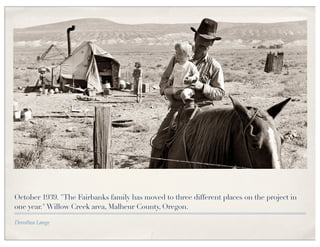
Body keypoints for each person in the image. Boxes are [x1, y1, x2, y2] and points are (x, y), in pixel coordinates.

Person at [149, 18, 225, 169]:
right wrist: (168, 90)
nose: (204, 43)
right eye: (201, 39)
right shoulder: (178, 59)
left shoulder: (214, 66)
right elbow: (163, 81)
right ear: (195, 38)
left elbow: (220, 93)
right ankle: (154, 172)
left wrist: (201, 86)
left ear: (212, 43)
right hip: (179, 109)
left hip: (204, 110)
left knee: (219, 145)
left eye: (208, 41)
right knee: (159, 142)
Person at [165, 41, 199, 107]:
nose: (177, 56)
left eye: (180, 54)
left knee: (184, 94)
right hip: (176, 87)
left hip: (186, 88)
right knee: (166, 91)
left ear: (188, 55)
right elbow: (173, 74)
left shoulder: (190, 65)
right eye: (176, 53)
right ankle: (172, 102)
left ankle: (187, 105)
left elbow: (196, 74)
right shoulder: (176, 65)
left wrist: (192, 78)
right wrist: (169, 80)